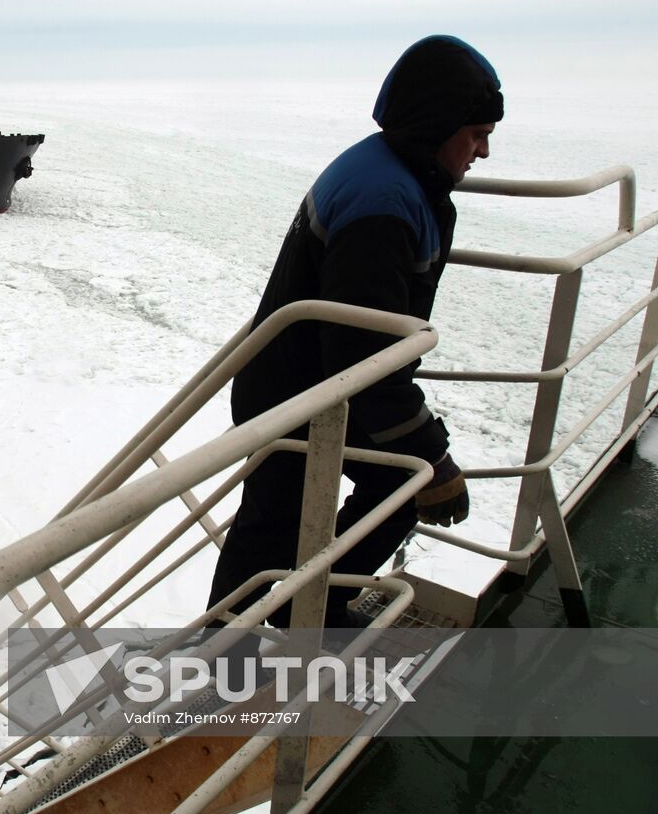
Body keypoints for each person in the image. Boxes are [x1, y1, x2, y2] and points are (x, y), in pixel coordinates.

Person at [206, 35, 502, 629]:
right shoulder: (384, 204)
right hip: (301, 393)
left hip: (301, 379)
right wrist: (434, 458)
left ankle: (294, 610)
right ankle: (233, 648)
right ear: (435, 126)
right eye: (475, 134)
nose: (484, 152)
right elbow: (362, 353)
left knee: (281, 514)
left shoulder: (389, 170)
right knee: (374, 491)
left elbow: (361, 346)